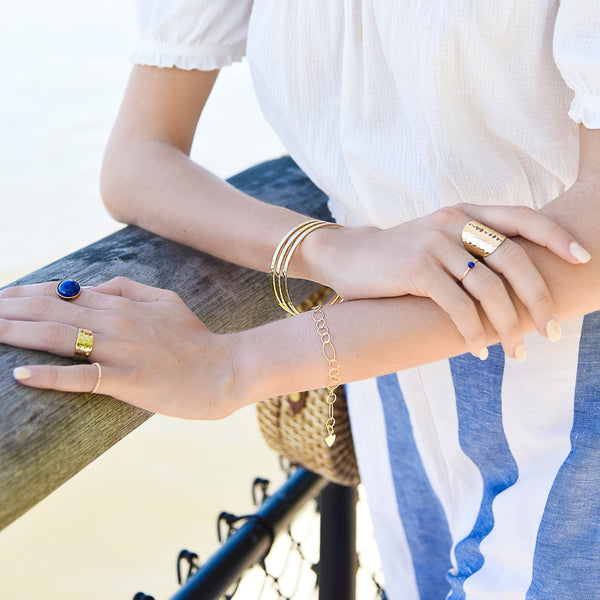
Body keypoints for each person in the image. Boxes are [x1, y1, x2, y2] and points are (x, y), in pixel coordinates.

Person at [2, 2, 599, 598]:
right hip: (392, 391)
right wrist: (329, 248)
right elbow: (136, 160)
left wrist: (236, 363)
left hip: (570, 382)